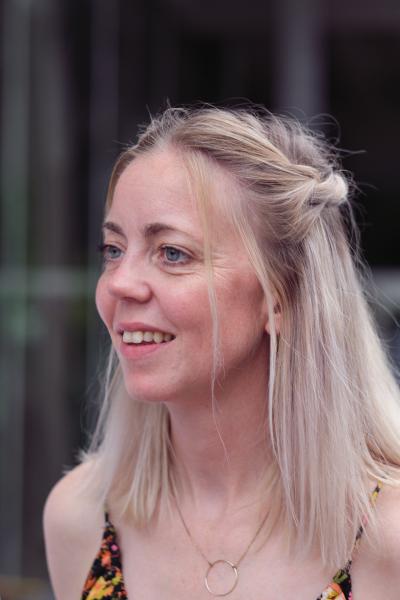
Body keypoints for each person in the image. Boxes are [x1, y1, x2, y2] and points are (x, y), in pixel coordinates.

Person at [43, 105, 400, 600]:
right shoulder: (80, 518)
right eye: (114, 250)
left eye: (173, 253)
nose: (120, 283)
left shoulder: (387, 539)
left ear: (281, 297)